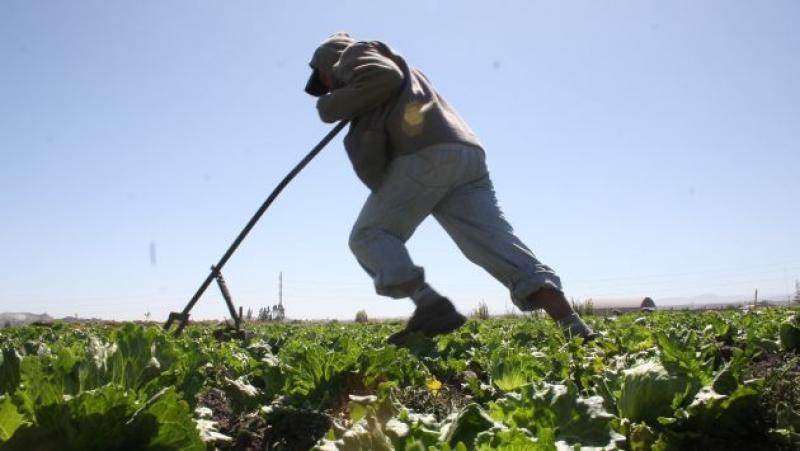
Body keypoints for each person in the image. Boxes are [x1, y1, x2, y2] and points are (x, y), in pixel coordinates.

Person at [304, 32, 596, 344]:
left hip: (427, 153)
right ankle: (574, 326)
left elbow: (383, 78)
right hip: (465, 154)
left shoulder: (353, 54)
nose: (329, 86)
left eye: (325, 80)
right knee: (493, 244)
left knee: (368, 235)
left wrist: (330, 105)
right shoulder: (405, 69)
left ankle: (430, 305)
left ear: (328, 63)